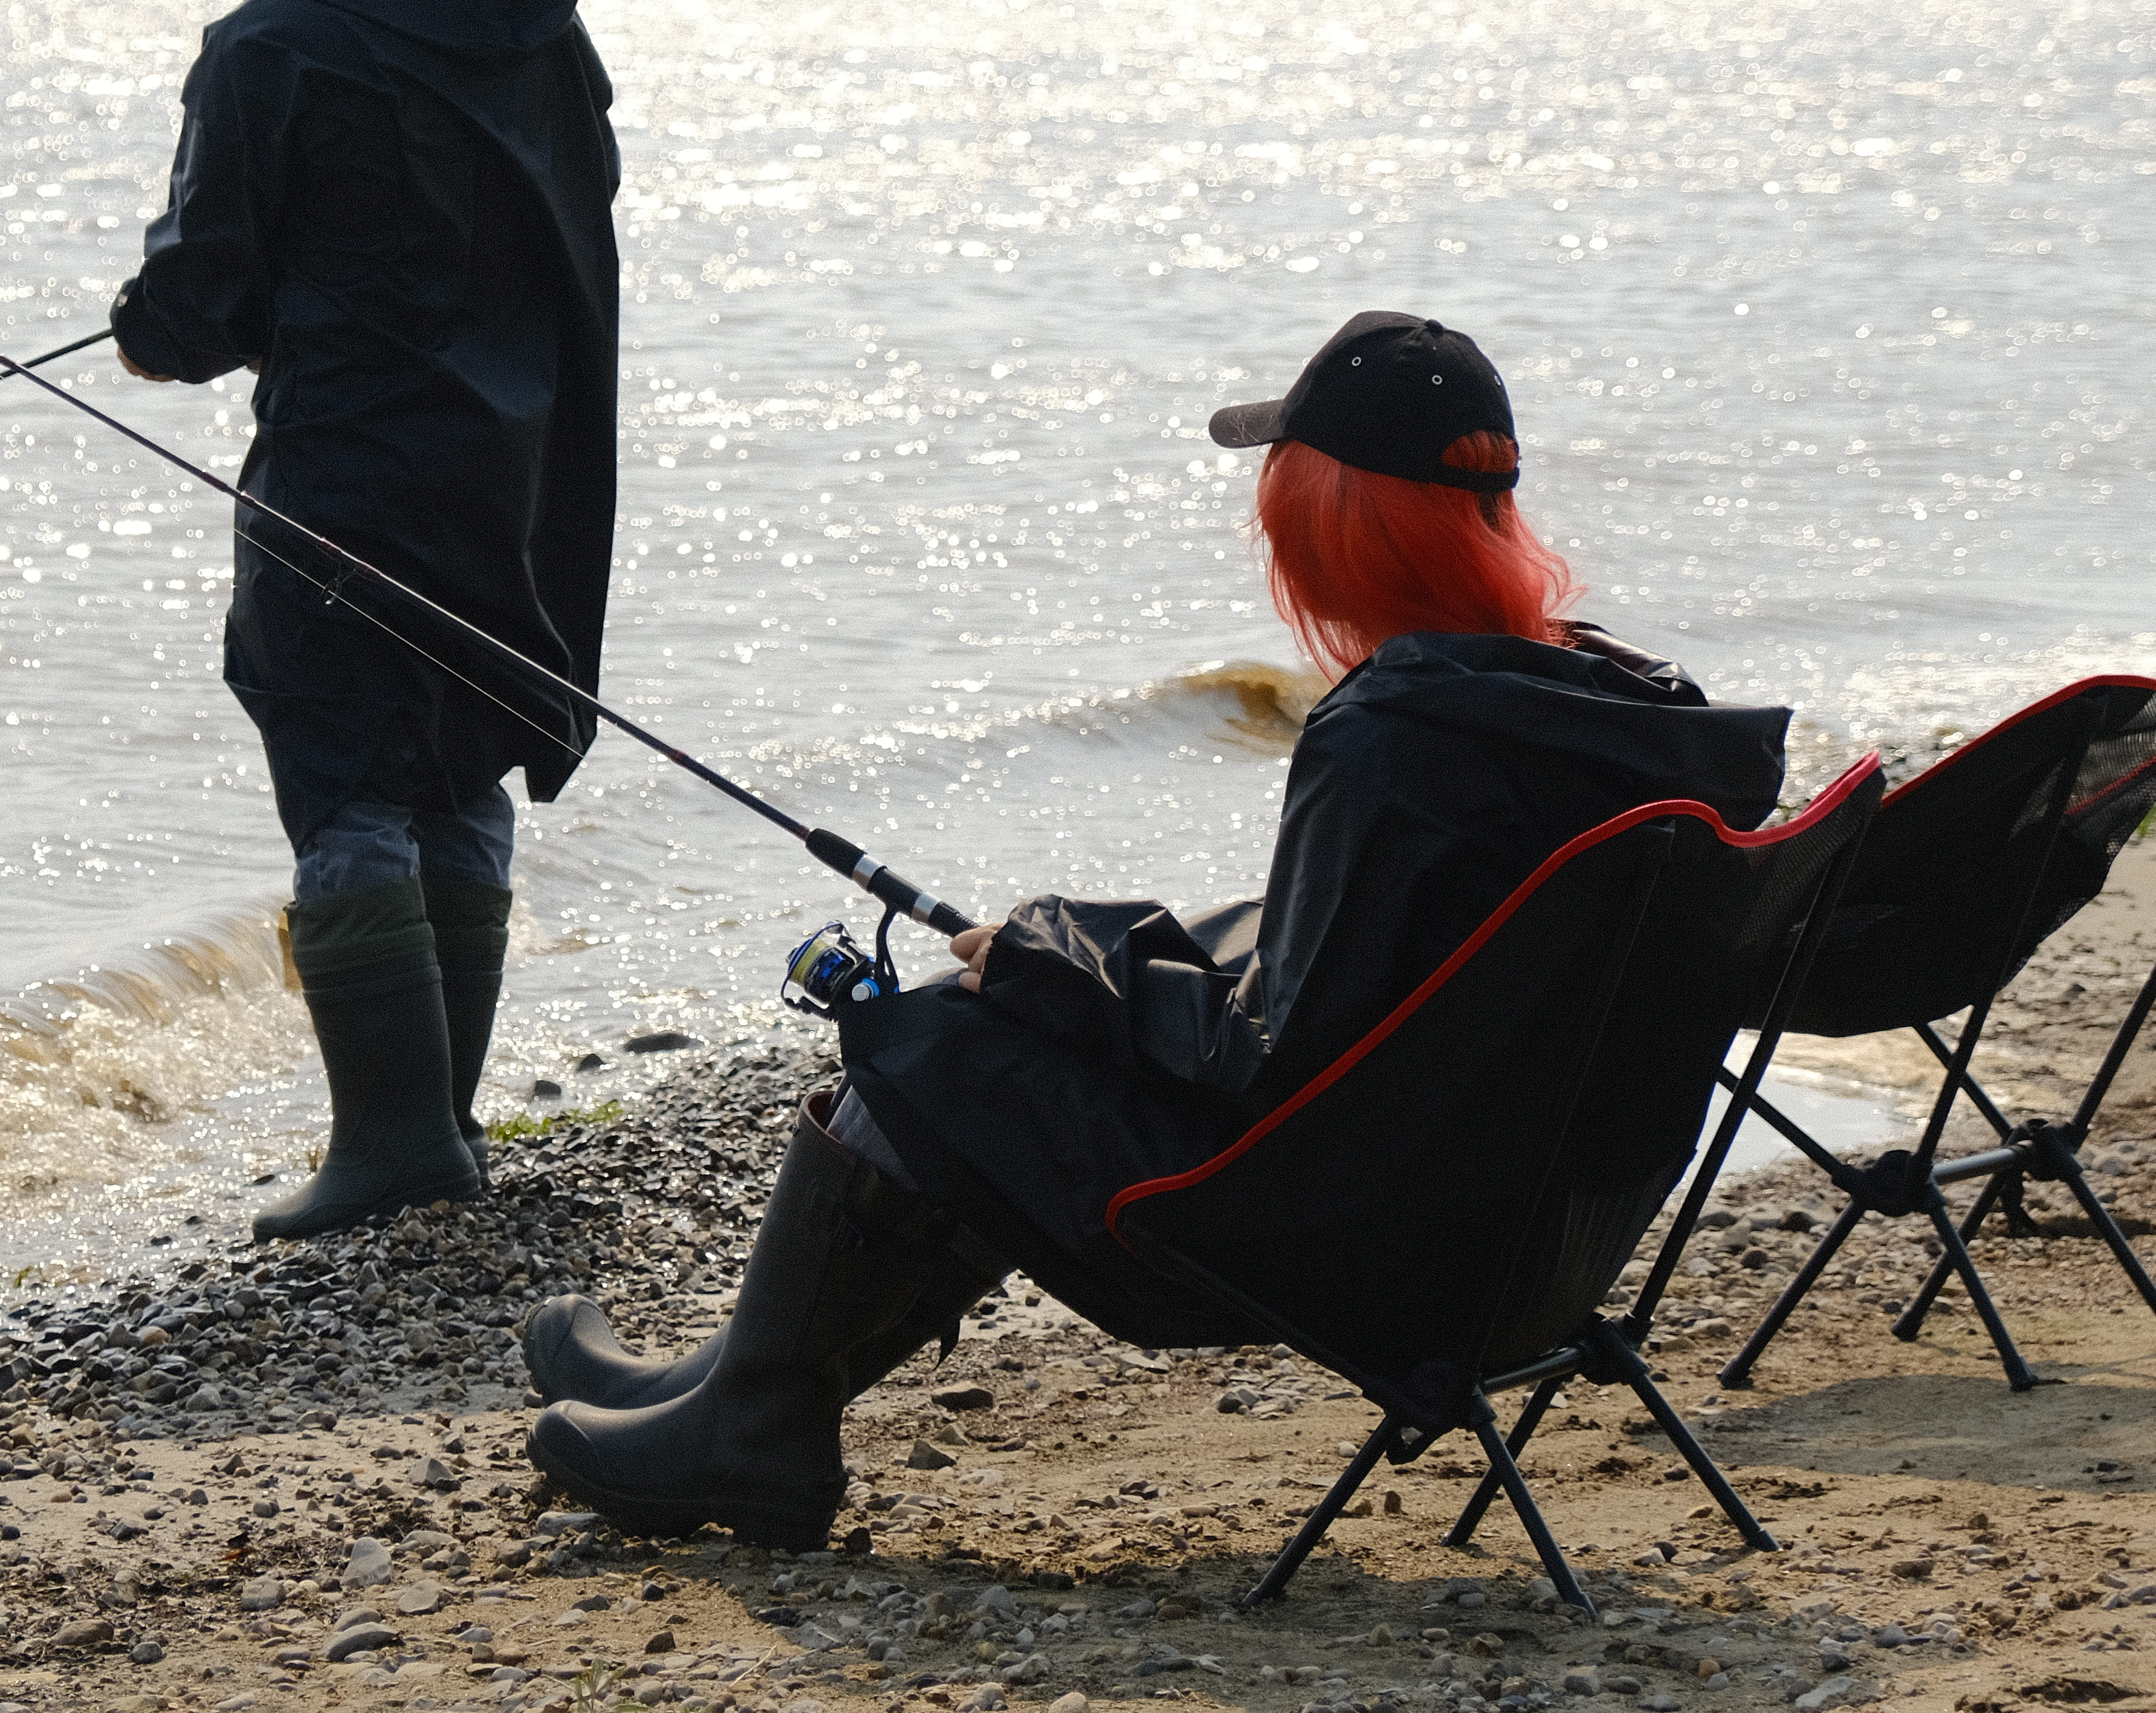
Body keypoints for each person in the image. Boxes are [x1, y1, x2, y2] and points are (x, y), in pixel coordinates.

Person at [521, 310, 1793, 1546]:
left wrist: (1040, 966)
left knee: (943, 1034)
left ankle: (754, 1419)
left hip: (1359, 1246)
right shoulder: (1621, 716)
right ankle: (748, 1377)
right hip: (1535, 1243)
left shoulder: (1398, 740)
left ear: (1332, 524)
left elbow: (1271, 1061)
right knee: (1027, 991)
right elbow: (1391, 990)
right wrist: (1079, 949)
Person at [113, 0, 623, 1242]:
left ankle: (394, 1144)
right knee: (461, 753)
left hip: (348, 468)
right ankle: (440, 1124)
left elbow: (200, 300)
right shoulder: (528, 8)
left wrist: (150, 331)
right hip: (526, 458)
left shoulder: (270, 47)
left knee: (345, 776)